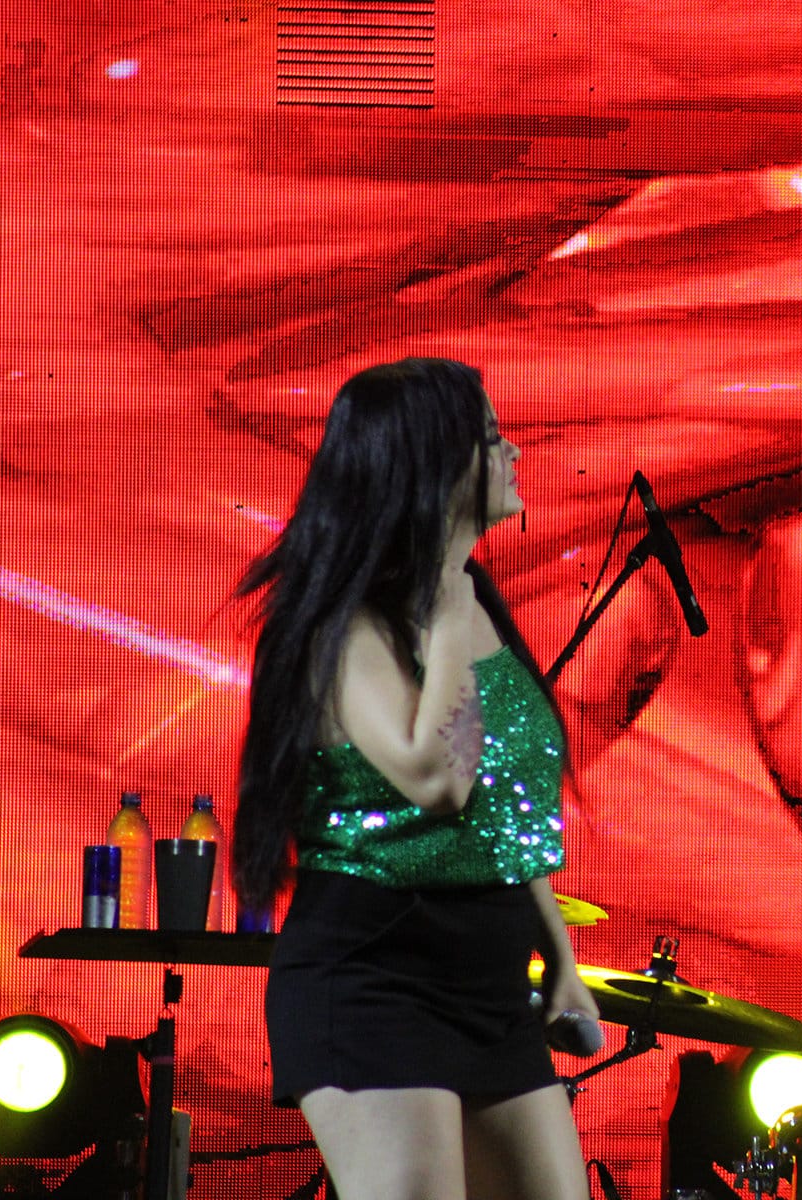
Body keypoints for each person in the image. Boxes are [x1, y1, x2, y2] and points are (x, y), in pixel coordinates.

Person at [231, 357, 599, 1200]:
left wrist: (560, 958)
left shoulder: (472, 602)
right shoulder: (346, 630)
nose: (513, 452)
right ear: (434, 466)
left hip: (491, 985)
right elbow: (438, 780)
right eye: (491, 437)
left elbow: (505, 812)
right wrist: (445, 605)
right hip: (375, 978)